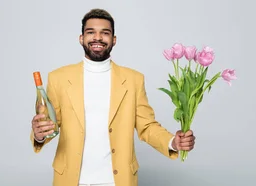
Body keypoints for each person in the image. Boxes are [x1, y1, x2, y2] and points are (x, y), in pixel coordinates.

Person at [29, 8, 195, 186]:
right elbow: (50, 124)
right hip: (70, 179)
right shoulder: (58, 78)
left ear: (114, 40)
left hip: (118, 180)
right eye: (90, 32)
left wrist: (172, 142)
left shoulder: (133, 80)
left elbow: (146, 126)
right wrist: (39, 135)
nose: (97, 38)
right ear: (81, 38)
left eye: (105, 33)